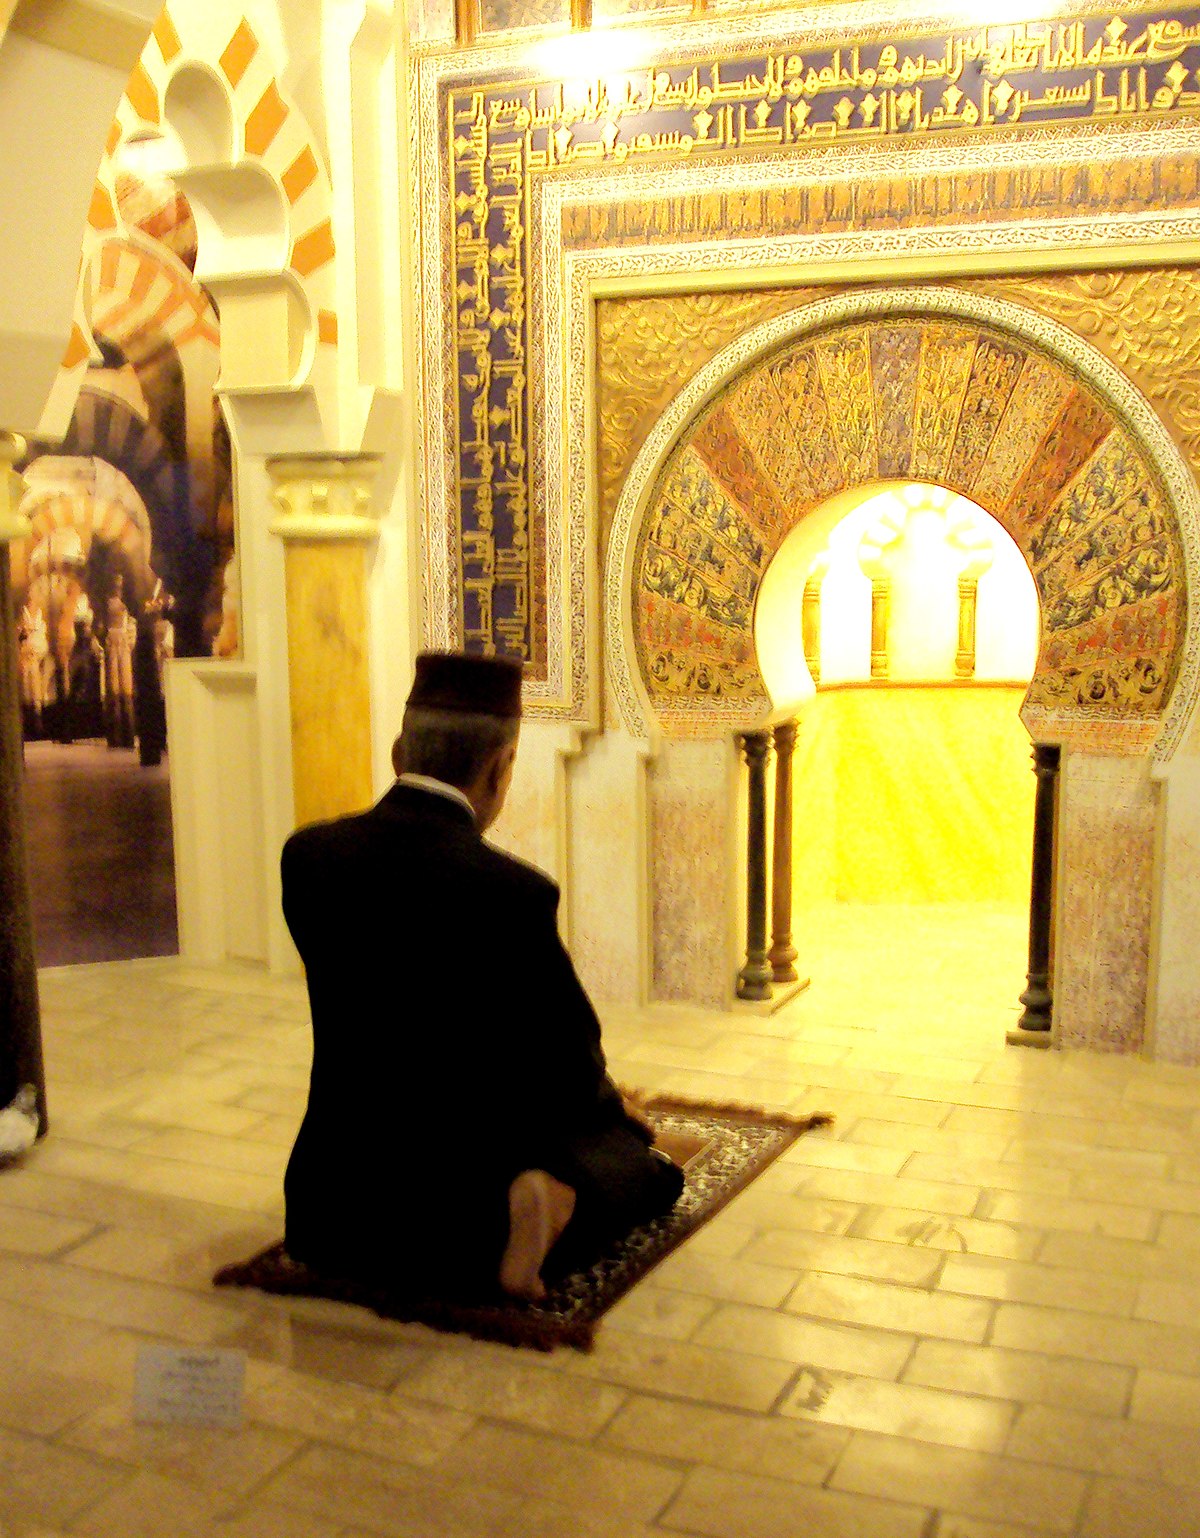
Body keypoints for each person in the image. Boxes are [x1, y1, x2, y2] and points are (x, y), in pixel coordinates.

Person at [281, 651, 683, 1303]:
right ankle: (538, 1202)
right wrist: (615, 1112)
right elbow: (567, 1062)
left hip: (330, 1213)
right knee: (650, 1173)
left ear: (397, 755)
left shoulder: (307, 858)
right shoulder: (511, 895)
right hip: (461, 1220)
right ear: (500, 768)